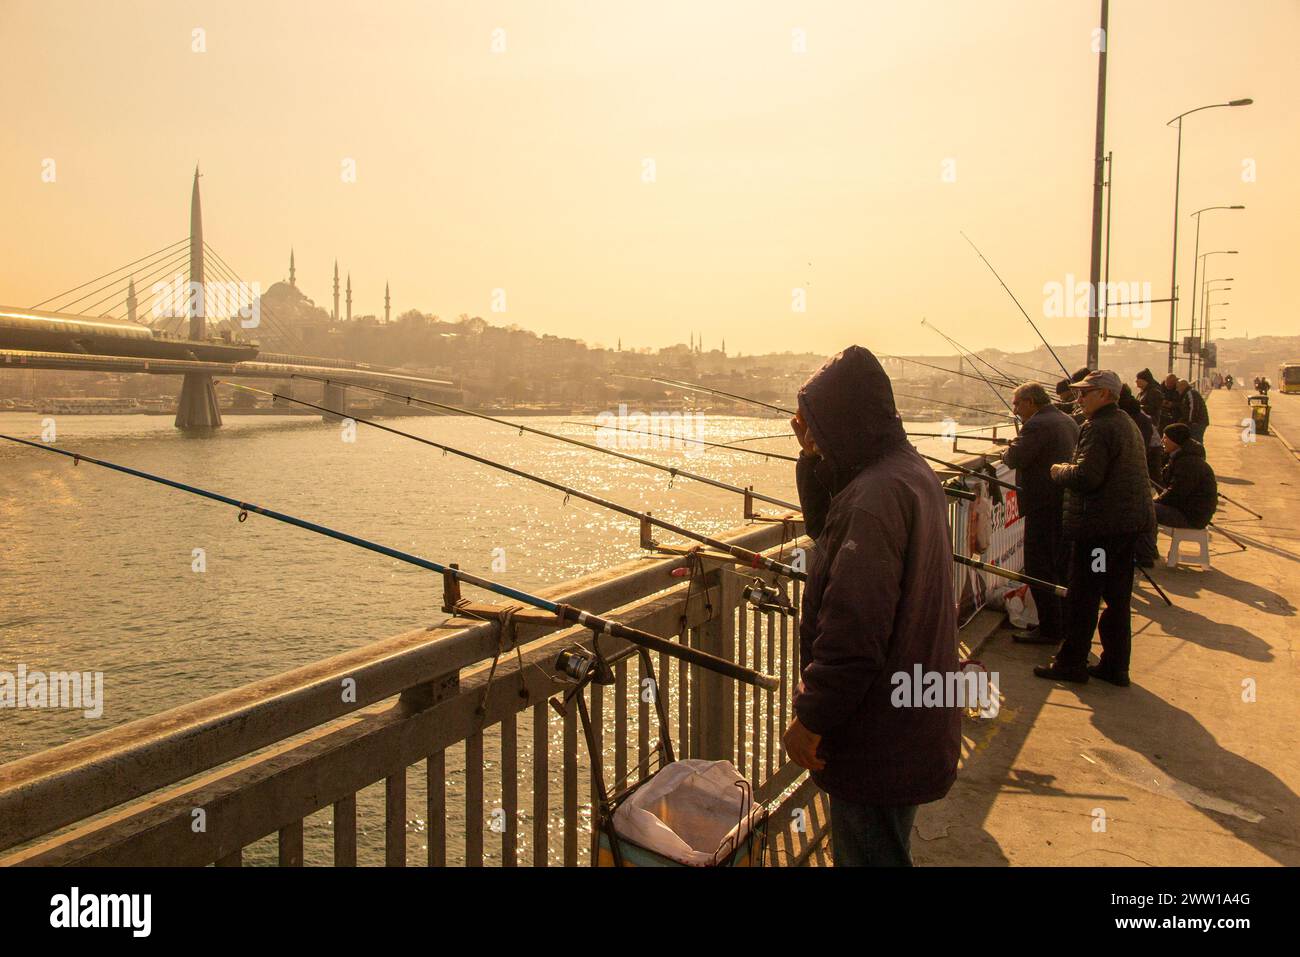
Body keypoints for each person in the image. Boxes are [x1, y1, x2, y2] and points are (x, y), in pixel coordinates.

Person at [785, 345, 959, 866]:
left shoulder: (875, 497)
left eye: (818, 421)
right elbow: (830, 531)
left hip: (876, 732)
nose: (810, 430)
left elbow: (855, 631)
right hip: (908, 719)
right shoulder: (903, 473)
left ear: (844, 419)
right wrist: (813, 456)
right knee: (886, 849)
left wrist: (812, 716)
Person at [1035, 370, 1155, 687]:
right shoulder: (1126, 422)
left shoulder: (1099, 427)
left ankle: (1071, 663)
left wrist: (1059, 470)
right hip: (1125, 528)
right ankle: (1116, 666)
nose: (1079, 398)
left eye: (1085, 392)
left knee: (1084, 595)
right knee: (1117, 598)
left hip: (1100, 534)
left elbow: (1087, 477)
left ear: (1104, 394)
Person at [1002, 382, 1078, 646]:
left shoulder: (1037, 424)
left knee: (1039, 566)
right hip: (1062, 502)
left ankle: (1050, 628)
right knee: (1058, 566)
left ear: (1030, 402)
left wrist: (1008, 447)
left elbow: (1013, 458)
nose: (1015, 409)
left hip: (1043, 504)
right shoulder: (1066, 420)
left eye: (1017, 404)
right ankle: (1063, 623)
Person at [1154, 423, 1218, 529]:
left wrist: (1155, 502)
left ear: (1175, 440)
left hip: (1191, 517)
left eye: (1165, 438)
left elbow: (1176, 493)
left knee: (1143, 509)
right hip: (1185, 511)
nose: (1162, 441)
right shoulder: (1180, 457)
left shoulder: (1188, 463)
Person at [1176, 378, 1210, 443]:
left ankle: (1198, 452)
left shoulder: (1190, 393)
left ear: (1183, 386)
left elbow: (1193, 408)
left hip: (1197, 422)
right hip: (1198, 422)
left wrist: (1191, 422)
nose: (1177, 389)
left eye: (1178, 387)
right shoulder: (1187, 394)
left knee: (1196, 440)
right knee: (1196, 440)